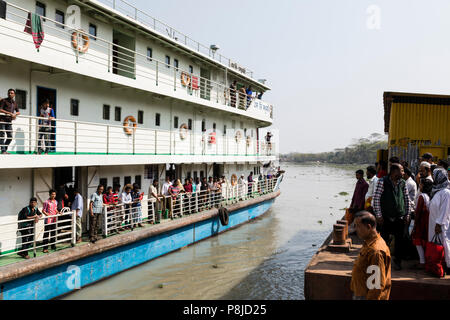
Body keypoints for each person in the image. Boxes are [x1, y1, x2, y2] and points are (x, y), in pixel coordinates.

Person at [373, 164, 411, 270]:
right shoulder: (382, 181)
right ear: (394, 171)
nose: (403, 173)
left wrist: (407, 214)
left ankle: (397, 261)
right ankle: (383, 261)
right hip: (385, 217)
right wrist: (379, 215)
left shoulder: (403, 183)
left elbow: (407, 199)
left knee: (400, 241)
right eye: (401, 170)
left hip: (399, 218)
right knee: (383, 240)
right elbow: (376, 198)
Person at [350, 211, 391, 300]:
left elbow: (376, 286)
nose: (355, 229)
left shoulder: (375, 251)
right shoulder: (369, 243)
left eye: (358, 226)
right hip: (360, 292)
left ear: (368, 227)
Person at [428, 168, 450, 273]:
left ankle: (447, 265)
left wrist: (439, 223)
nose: (433, 177)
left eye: (434, 175)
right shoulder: (437, 190)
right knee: (437, 245)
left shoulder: (446, 192)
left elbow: (445, 209)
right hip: (433, 223)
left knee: (444, 244)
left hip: (440, 225)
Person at [411, 179, 433, 269]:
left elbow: (418, 211)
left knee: (418, 241)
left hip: (421, 222)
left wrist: (415, 224)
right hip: (428, 221)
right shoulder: (430, 196)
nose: (419, 186)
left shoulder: (422, 196)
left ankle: (422, 261)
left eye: (421, 184)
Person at [0, 89, 20, 154]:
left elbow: (18, 112)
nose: (10, 94)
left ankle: (4, 149)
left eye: (11, 93)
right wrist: (9, 113)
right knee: (2, 135)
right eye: (9, 93)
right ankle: (3, 150)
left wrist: (14, 114)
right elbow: (0, 109)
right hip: (2, 120)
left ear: (14, 95)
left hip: (9, 121)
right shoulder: (4, 100)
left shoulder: (14, 103)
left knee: (10, 136)